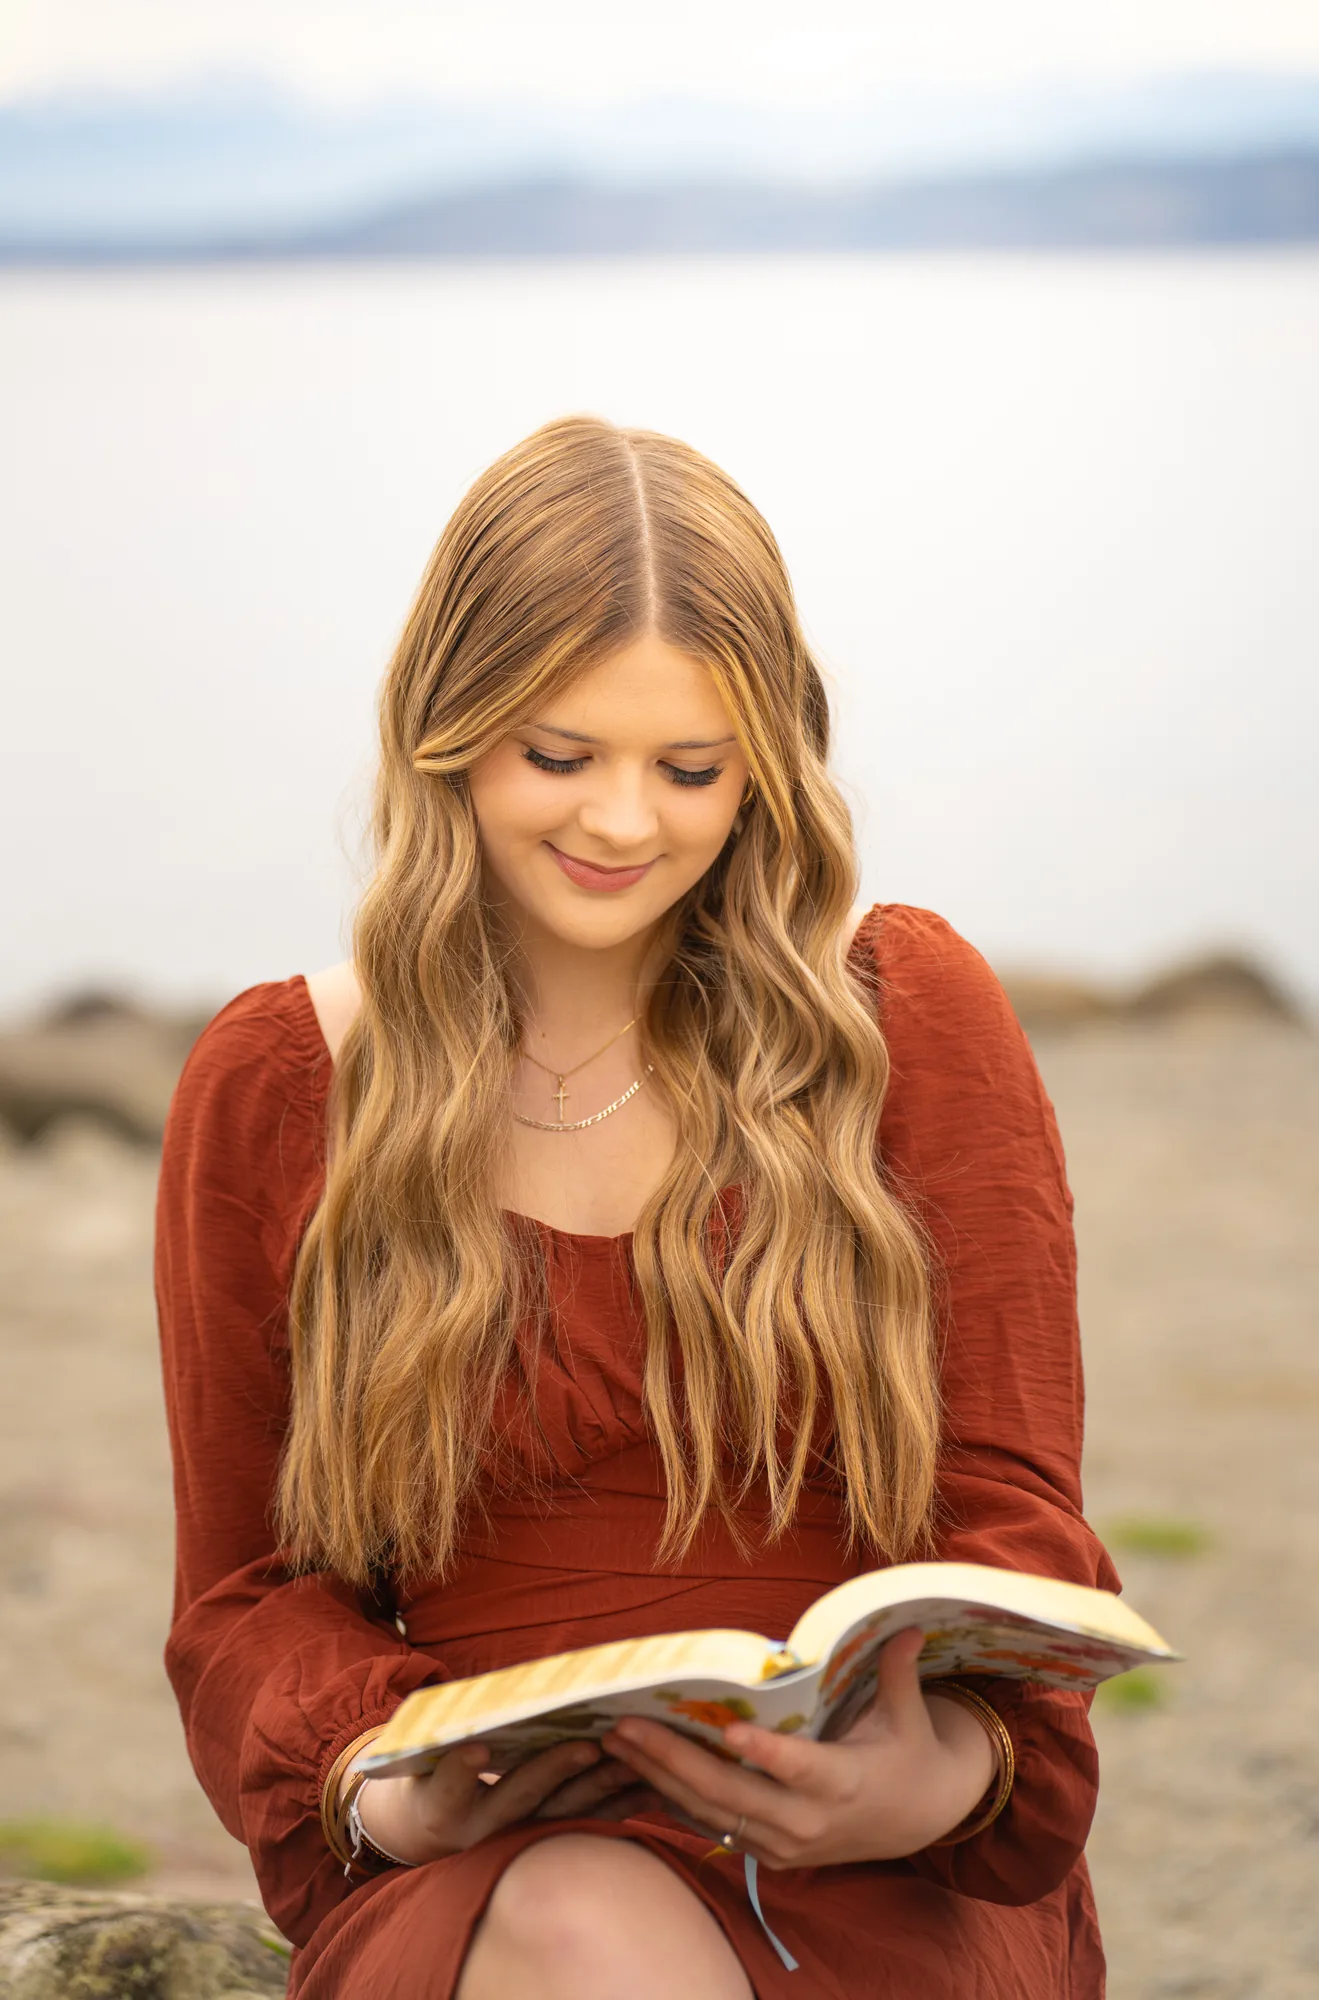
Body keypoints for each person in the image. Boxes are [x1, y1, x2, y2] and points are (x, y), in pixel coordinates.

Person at [155, 414, 1117, 1999]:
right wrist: (381, 1774)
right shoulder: (279, 1080)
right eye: (560, 756)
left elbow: (1015, 1511)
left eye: (690, 769)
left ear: (768, 762)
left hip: (885, 1857)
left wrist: (934, 1778)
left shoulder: (910, 1013)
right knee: (578, 1919)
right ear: (447, 728)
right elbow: (245, 1593)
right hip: (491, 1867)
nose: (621, 824)